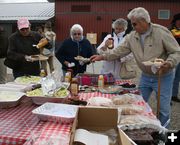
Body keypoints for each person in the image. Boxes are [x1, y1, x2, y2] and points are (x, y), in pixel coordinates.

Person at [91, 7, 180, 127]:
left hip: (163, 76)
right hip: (145, 76)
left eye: (134, 24)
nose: (132, 27)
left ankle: (163, 133)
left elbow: (176, 52)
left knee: (163, 108)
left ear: (144, 21)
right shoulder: (132, 37)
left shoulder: (161, 32)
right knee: (138, 104)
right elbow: (118, 51)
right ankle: (142, 127)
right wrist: (102, 56)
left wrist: (169, 63)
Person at [170, 13, 180, 102]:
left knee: (177, 77)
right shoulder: (170, 31)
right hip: (173, 57)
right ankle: (168, 98)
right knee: (171, 77)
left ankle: (174, 95)